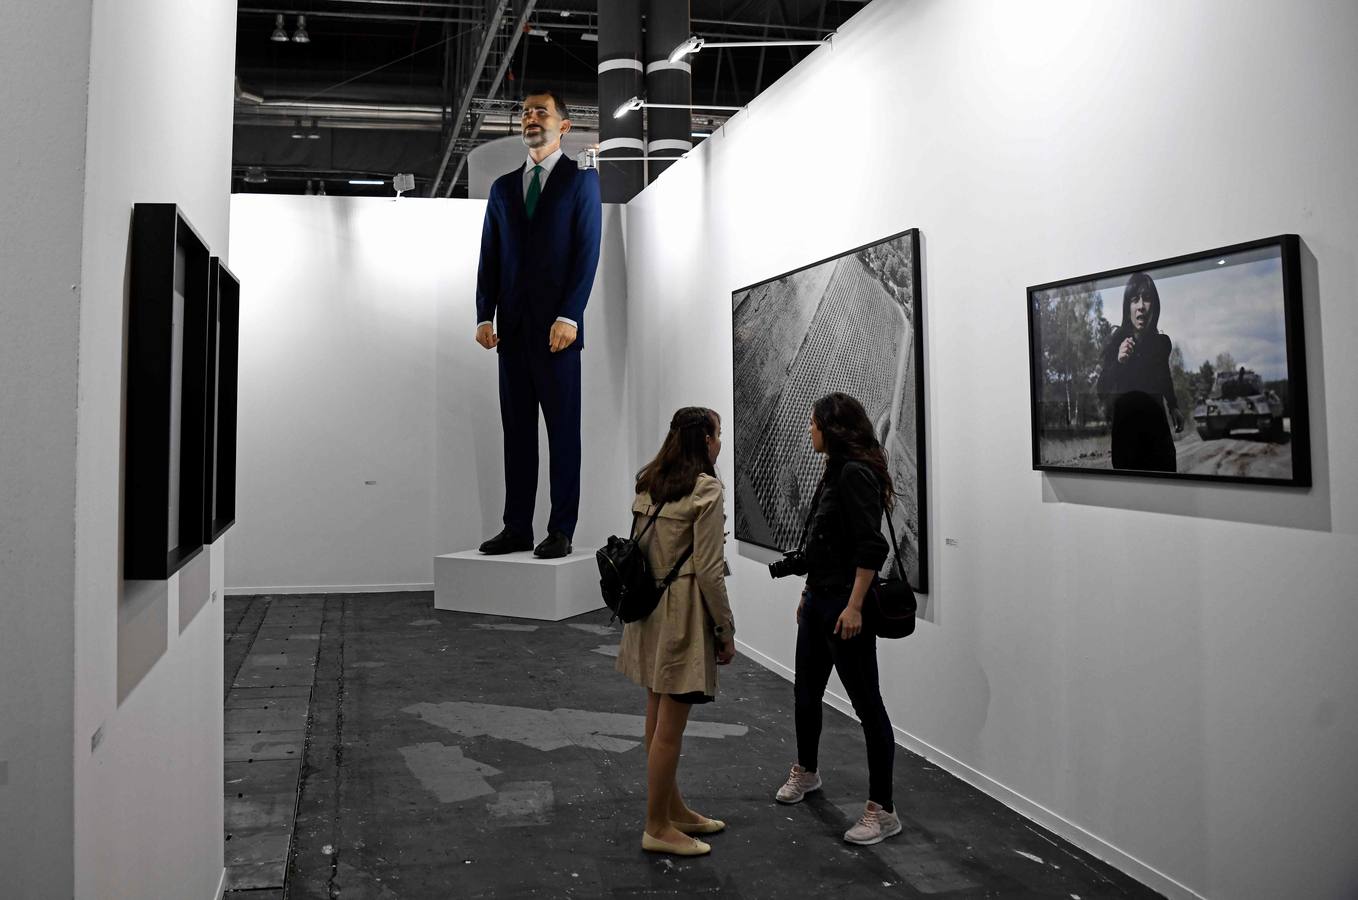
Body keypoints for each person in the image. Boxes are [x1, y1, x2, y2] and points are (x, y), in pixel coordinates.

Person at [475, 89, 602, 559]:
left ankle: (561, 528)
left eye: (541, 112)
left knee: (563, 433)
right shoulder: (504, 188)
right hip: (512, 333)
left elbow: (587, 252)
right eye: (526, 112)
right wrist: (482, 313)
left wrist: (571, 314)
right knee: (517, 435)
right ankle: (516, 527)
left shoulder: (580, 181)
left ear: (564, 126)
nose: (531, 117)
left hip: (558, 334)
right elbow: (490, 254)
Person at [775, 392, 902, 846]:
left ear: (831, 428)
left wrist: (853, 606)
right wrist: (808, 591)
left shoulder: (854, 473)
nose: (809, 430)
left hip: (845, 608)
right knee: (805, 695)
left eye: (813, 424)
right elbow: (827, 544)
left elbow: (871, 547)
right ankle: (807, 772)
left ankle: (882, 810)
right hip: (818, 602)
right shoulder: (833, 470)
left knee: (869, 708)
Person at [616, 407, 737, 857]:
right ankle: (656, 826)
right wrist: (725, 629)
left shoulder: (650, 481)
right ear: (704, 440)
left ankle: (673, 810)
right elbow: (708, 571)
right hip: (683, 614)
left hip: (648, 611)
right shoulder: (706, 489)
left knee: (655, 712)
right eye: (718, 433)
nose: (720, 441)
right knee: (670, 729)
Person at [1096, 271, 1184, 472]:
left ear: (1155, 306)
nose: (1141, 306)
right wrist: (1119, 361)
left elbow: (1164, 376)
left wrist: (1173, 406)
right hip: (1127, 442)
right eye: (1135, 300)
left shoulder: (1161, 344)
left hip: (1159, 439)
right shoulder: (1115, 343)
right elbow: (1101, 389)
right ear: (1128, 307)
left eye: (1147, 299)